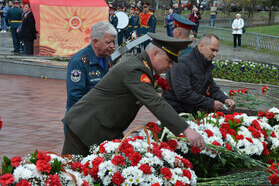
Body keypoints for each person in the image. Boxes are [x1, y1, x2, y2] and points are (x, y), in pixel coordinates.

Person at [62, 33, 206, 156]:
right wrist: (187, 130)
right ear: (155, 54)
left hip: (102, 129)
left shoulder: (142, 67)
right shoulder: (136, 70)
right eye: (169, 60)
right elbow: (156, 102)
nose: (170, 66)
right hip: (84, 127)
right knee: (69, 174)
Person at [163, 33, 235, 115]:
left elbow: (212, 88)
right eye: (212, 50)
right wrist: (211, 103)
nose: (215, 54)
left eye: (216, 51)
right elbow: (184, 94)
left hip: (191, 110)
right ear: (201, 46)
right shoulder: (182, 63)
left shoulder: (204, 63)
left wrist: (225, 99)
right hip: (175, 111)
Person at [65, 21, 117, 113]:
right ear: (95, 42)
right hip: (83, 118)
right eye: (108, 42)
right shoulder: (79, 62)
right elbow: (75, 96)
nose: (112, 46)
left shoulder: (107, 58)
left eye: (113, 42)